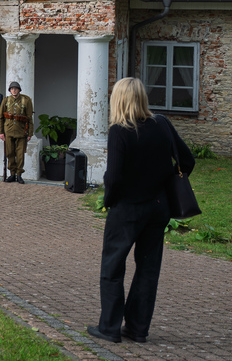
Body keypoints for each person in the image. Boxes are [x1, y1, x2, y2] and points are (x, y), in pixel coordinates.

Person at [87, 77, 196, 345]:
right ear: (143, 97)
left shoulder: (119, 131)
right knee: (148, 269)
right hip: (158, 208)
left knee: (112, 268)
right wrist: (163, 181)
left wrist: (109, 201)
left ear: (118, 99)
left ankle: (110, 328)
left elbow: (113, 178)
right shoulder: (162, 124)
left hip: (127, 210)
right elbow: (187, 161)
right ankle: (137, 329)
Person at [0, 81, 34, 184]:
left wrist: (30, 133)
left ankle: (19, 174)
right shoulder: (6, 100)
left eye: (15, 88)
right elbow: (0, 117)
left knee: (20, 154)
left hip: (21, 131)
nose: (14, 90)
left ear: (19, 90)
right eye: (12, 89)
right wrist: (0, 132)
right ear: (10, 90)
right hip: (8, 131)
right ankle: (12, 174)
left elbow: (30, 118)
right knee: (10, 153)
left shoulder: (26, 101)